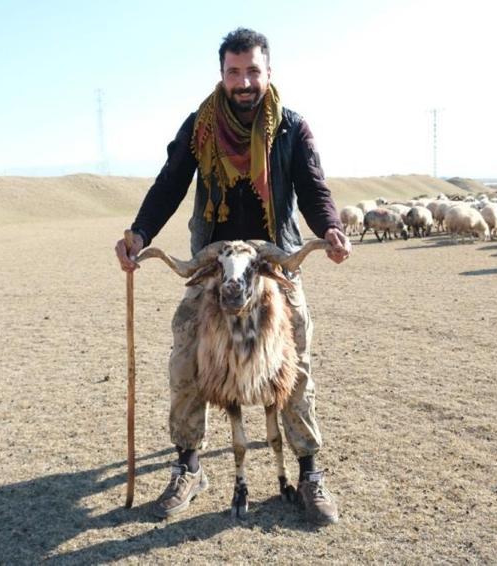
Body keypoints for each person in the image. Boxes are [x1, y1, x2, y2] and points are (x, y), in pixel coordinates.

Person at [114, 27, 351, 525]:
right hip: (213, 265)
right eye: (234, 72)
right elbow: (170, 183)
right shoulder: (200, 126)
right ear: (222, 74)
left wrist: (329, 228)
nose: (244, 82)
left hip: (273, 262)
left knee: (296, 362)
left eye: (252, 72)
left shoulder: (291, 128)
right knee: (185, 359)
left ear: (269, 72)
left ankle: (309, 471)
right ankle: (188, 465)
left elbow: (313, 187)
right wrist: (139, 232)